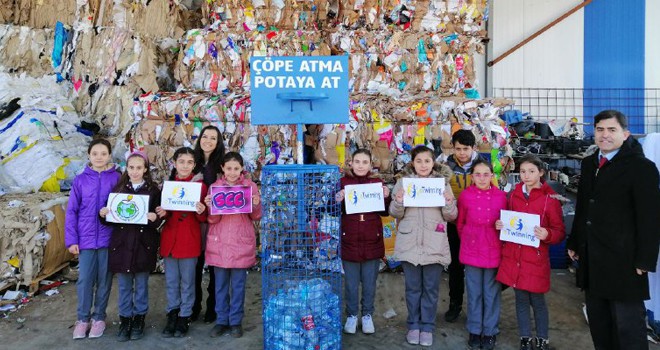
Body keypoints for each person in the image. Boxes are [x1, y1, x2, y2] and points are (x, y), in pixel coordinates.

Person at [566, 110, 660, 350]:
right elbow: (584, 206)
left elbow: (650, 218)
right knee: (600, 324)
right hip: (593, 258)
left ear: (625, 134)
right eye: (600, 129)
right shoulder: (589, 163)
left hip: (625, 261)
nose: (604, 135)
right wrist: (575, 242)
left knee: (628, 329)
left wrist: (645, 260)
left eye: (611, 130)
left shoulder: (642, 168)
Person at [389, 146, 457, 347]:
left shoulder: (442, 184)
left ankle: (427, 326)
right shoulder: (403, 183)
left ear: (433, 162)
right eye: (419, 161)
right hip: (409, 243)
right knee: (412, 288)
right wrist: (399, 201)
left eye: (427, 161)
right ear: (413, 163)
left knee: (431, 289)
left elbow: (451, 216)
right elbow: (394, 213)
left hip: (434, 243)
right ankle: (413, 325)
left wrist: (448, 203)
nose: (423, 165)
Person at [495, 155, 565, 350]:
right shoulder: (513, 196)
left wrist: (548, 234)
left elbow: (559, 232)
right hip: (514, 257)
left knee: (538, 301)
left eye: (531, 171)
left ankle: (542, 338)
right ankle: (525, 337)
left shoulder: (549, 200)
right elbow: (507, 222)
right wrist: (501, 224)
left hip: (535, 260)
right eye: (523, 171)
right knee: (520, 300)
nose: (526, 176)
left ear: (541, 173)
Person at [100, 151, 161, 341]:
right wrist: (103, 213)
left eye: (139, 168)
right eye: (131, 167)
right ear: (127, 168)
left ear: (145, 169)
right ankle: (125, 320)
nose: (135, 171)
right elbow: (110, 219)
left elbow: (158, 218)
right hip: (122, 246)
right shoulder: (118, 189)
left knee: (141, 286)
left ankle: (139, 320)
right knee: (125, 287)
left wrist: (155, 217)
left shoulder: (153, 190)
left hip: (143, 246)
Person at [65, 138, 121, 339]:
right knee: (85, 280)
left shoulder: (116, 178)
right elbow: (71, 211)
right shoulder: (80, 180)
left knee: (104, 281)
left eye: (103, 154)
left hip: (108, 238)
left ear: (109, 156)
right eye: (95, 153)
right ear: (89, 155)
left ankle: (99, 318)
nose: (99, 157)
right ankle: (82, 319)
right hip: (86, 239)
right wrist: (72, 240)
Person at [204, 152, 262, 339]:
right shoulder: (215, 187)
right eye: (228, 168)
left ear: (241, 169)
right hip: (219, 244)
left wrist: (256, 203)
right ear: (222, 168)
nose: (232, 172)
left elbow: (256, 216)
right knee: (219, 286)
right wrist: (210, 205)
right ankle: (221, 320)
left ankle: (235, 322)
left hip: (240, 244)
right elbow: (212, 219)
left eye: (236, 168)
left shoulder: (249, 186)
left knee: (238, 286)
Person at [334, 149, 391, 335]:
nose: (360, 165)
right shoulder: (343, 183)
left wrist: (386, 196)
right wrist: (337, 199)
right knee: (350, 283)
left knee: (369, 282)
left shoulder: (377, 183)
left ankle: (367, 315)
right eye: (357, 161)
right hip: (349, 239)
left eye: (364, 162)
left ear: (370, 164)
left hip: (371, 240)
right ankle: (351, 315)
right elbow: (334, 210)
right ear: (350, 163)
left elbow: (384, 212)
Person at [443, 129, 496, 323]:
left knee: (479, 267)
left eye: (466, 149)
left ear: (473, 148)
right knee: (455, 266)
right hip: (454, 223)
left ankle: (480, 308)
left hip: (480, 226)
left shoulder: (483, 166)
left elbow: (495, 192)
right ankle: (455, 304)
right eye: (458, 149)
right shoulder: (446, 166)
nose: (462, 153)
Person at [155, 147, 207, 338]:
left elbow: (204, 219)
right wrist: (162, 212)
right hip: (171, 240)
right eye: (181, 161)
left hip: (189, 240)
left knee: (187, 282)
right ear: (175, 163)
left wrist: (202, 210)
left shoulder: (200, 187)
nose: (185, 166)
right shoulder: (169, 185)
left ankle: (185, 315)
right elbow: (166, 214)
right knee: (171, 281)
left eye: (189, 162)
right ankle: (172, 313)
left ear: (194, 165)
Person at [456, 159, 507, 350]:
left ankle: (490, 331)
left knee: (491, 293)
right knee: (474, 292)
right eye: (478, 174)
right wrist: (470, 238)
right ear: (472, 177)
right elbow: (460, 224)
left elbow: (507, 224)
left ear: (492, 176)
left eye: (486, 174)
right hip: (471, 250)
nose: (482, 178)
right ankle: (475, 329)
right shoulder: (465, 196)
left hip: (494, 250)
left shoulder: (502, 197)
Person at [192, 125, 225, 323]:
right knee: (195, 267)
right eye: (205, 136)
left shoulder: (222, 164)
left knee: (214, 266)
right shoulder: (190, 161)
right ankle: (194, 306)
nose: (208, 141)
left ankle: (213, 307)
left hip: (215, 223)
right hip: (195, 224)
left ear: (218, 141)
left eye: (213, 138)